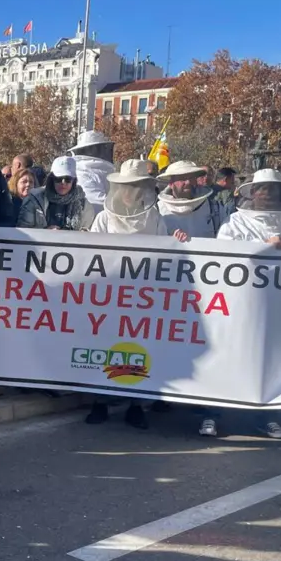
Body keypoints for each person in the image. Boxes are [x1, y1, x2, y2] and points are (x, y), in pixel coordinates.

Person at [85, 159, 188, 430]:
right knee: (104, 347)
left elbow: (165, 254)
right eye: (129, 186)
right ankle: (100, 402)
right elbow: (92, 255)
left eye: (139, 186)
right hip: (109, 295)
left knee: (137, 349)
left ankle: (135, 404)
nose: (133, 191)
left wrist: (176, 240)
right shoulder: (104, 217)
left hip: (141, 297)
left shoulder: (154, 218)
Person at [214, 169, 281, 440]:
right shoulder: (234, 224)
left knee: (270, 362)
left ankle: (266, 417)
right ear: (251, 193)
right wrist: (262, 246)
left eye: (271, 189)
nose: (265, 194)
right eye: (261, 189)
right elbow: (221, 261)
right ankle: (210, 414)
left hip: (278, 310)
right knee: (224, 358)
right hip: (239, 308)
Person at [18, 156, 94, 230]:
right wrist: (45, 233)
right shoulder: (34, 199)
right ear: (51, 179)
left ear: (74, 181)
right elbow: (23, 231)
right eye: (59, 178)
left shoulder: (84, 206)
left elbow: (89, 234)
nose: (63, 183)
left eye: (68, 179)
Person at [157, 160, 224, 238]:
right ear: (171, 184)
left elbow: (225, 240)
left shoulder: (214, 208)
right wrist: (170, 241)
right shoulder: (158, 211)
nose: (188, 182)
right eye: (182, 178)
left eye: (191, 178)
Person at [68, 130, 116, 218]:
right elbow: (98, 205)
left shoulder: (98, 172)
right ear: (91, 150)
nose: (105, 151)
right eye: (102, 148)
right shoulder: (82, 174)